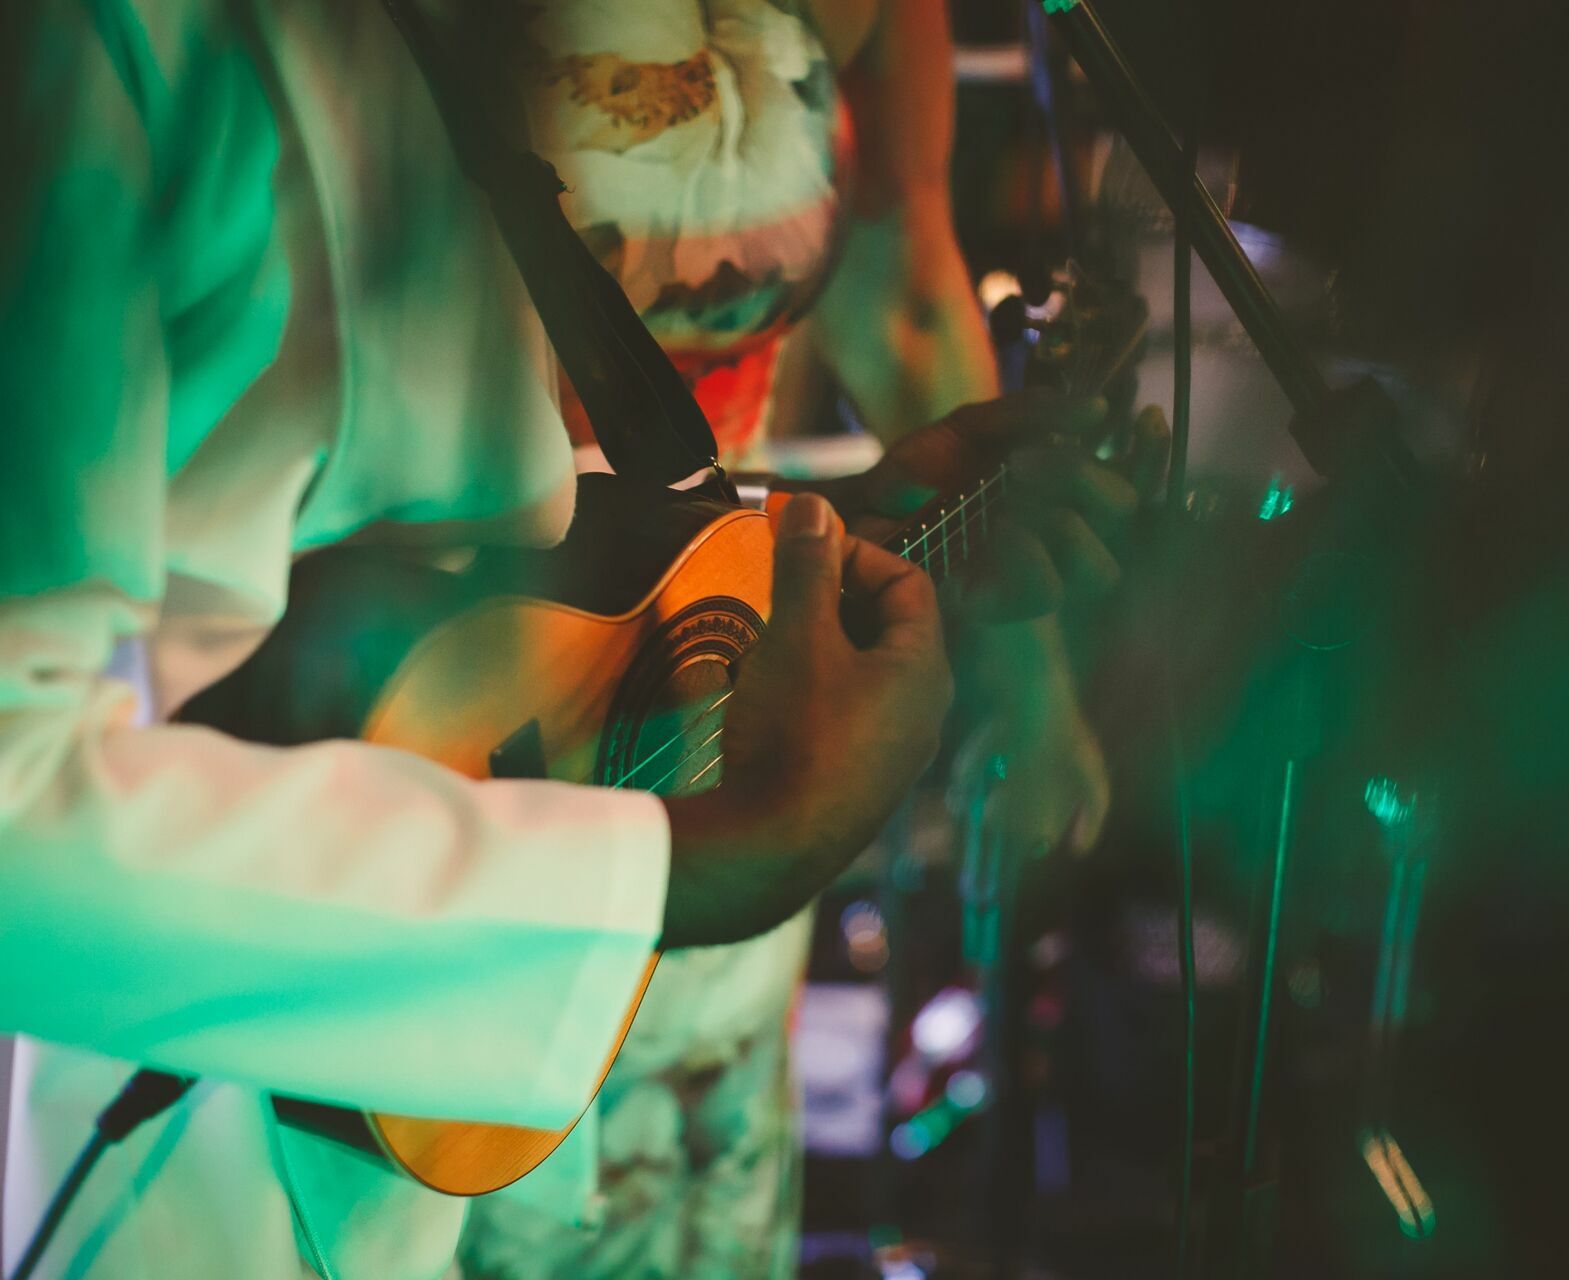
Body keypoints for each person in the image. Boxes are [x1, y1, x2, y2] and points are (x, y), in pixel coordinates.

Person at [0, 3, 1136, 1277]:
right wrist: (670, 874)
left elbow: (444, 528)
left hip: (417, 1125)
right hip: (183, 1161)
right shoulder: (107, 45)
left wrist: (785, 553)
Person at [452, 4, 1121, 1275]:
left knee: (686, 1185)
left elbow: (909, 284)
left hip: (718, 658)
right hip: (445, 684)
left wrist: (1030, 678)